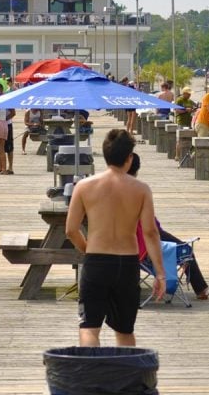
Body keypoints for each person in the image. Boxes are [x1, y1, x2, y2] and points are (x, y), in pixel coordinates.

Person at [65, 129, 166, 347]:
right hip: (127, 263)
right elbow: (150, 231)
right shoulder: (141, 189)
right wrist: (160, 273)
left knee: (90, 327)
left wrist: (87, 249)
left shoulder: (84, 186)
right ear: (129, 158)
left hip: (97, 259)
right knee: (125, 330)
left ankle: (92, 376)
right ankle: (125, 378)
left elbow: (71, 229)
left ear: (105, 154)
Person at [127, 153, 209, 300]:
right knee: (186, 250)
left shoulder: (107, 189)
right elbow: (152, 229)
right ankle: (202, 289)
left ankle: (201, 288)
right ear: (137, 169)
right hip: (144, 240)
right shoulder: (139, 190)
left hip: (122, 245)